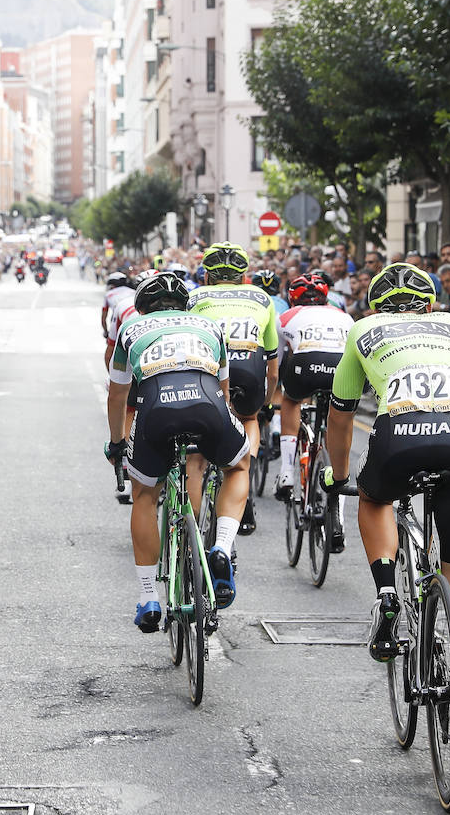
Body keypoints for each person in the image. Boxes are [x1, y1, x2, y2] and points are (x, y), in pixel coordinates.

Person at [324, 262, 450, 745]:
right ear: (431, 304)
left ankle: (386, 593)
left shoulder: (363, 330)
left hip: (399, 436)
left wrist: (338, 476)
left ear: (375, 306)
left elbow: (341, 416)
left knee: (373, 500)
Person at [103, 271, 249, 632]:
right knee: (239, 466)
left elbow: (118, 395)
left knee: (144, 496)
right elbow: (224, 389)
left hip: (155, 408)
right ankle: (222, 547)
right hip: (207, 404)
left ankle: (149, 596)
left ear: (143, 306)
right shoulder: (208, 325)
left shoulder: (131, 329)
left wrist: (118, 442)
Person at [190, 241, 280, 552]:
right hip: (250, 369)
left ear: (206, 275)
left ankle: (191, 542)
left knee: (196, 458)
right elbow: (272, 364)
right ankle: (247, 465)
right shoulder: (261, 296)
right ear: (244, 275)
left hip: (211, 369)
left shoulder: (194, 296)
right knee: (249, 417)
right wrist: (267, 402)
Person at [274, 273, 354, 544]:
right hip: (340, 369)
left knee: (290, 399)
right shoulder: (344, 316)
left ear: (293, 298)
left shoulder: (287, 316)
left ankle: (286, 471)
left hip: (306, 365)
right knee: (339, 422)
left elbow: (280, 359)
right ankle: (339, 519)